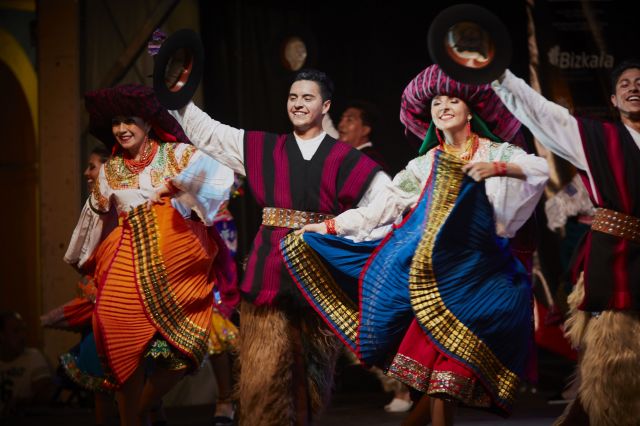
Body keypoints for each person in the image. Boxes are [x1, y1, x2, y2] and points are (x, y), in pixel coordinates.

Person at [281, 64, 549, 425]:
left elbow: (539, 170)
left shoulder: (497, 153)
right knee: (442, 378)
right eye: (437, 102)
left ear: (471, 110)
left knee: (448, 376)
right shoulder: (424, 165)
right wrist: (329, 226)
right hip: (435, 279)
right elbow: (381, 207)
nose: (444, 107)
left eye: (453, 100)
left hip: (484, 276)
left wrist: (498, 170)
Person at [169, 68, 390, 425]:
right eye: (293, 97)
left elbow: (387, 201)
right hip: (268, 270)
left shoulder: (343, 158)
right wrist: (178, 95)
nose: (298, 104)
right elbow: (209, 133)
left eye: (308, 98)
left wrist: (338, 225)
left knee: (310, 373)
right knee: (266, 374)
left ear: (325, 105)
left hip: (318, 270)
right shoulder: (262, 148)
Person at [64, 84, 235, 426]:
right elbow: (94, 217)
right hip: (127, 268)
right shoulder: (111, 171)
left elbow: (219, 177)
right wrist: (82, 260)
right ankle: (132, 420)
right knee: (119, 341)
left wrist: (185, 192)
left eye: (130, 120)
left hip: (176, 272)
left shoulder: (177, 157)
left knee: (186, 351)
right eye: (116, 123)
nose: (122, 128)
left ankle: (142, 409)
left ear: (147, 122)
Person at [492, 60, 640, 426]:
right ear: (613, 97)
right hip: (617, 260)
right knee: (617, 367)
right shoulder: (596, 139)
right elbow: (544, 113)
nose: (633, 87)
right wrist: (499, 76)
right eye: (625, 83)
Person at [0, 311, 53, 416]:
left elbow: (44, 394)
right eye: (16, 331)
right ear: (1, 335)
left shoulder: (33, 357)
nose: (22, 336)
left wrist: (22, 403)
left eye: (23, 330)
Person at [337, 100, 390, 172]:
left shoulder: (370, 162)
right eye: (341, 119)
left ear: (365, 130)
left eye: (349, 120)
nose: (341, 125)